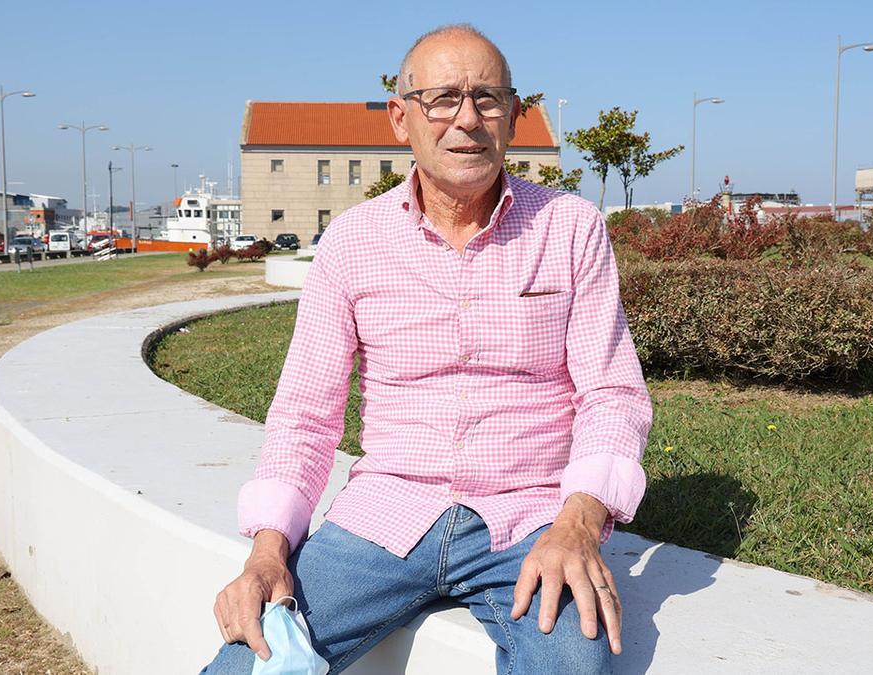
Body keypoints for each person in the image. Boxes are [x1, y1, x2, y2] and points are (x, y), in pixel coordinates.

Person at [204, 23, 653, 674]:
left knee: (572, 663)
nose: (467, 119)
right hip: (382, 516)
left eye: (489, 99)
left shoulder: (571, 229)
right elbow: (304, 413)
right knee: (246, 665)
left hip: (530, 518)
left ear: (514, 116)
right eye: (444, 97)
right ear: (400, 117)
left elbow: (613, 394)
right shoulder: (352, 243)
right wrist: (267, 554)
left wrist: (578, 524)